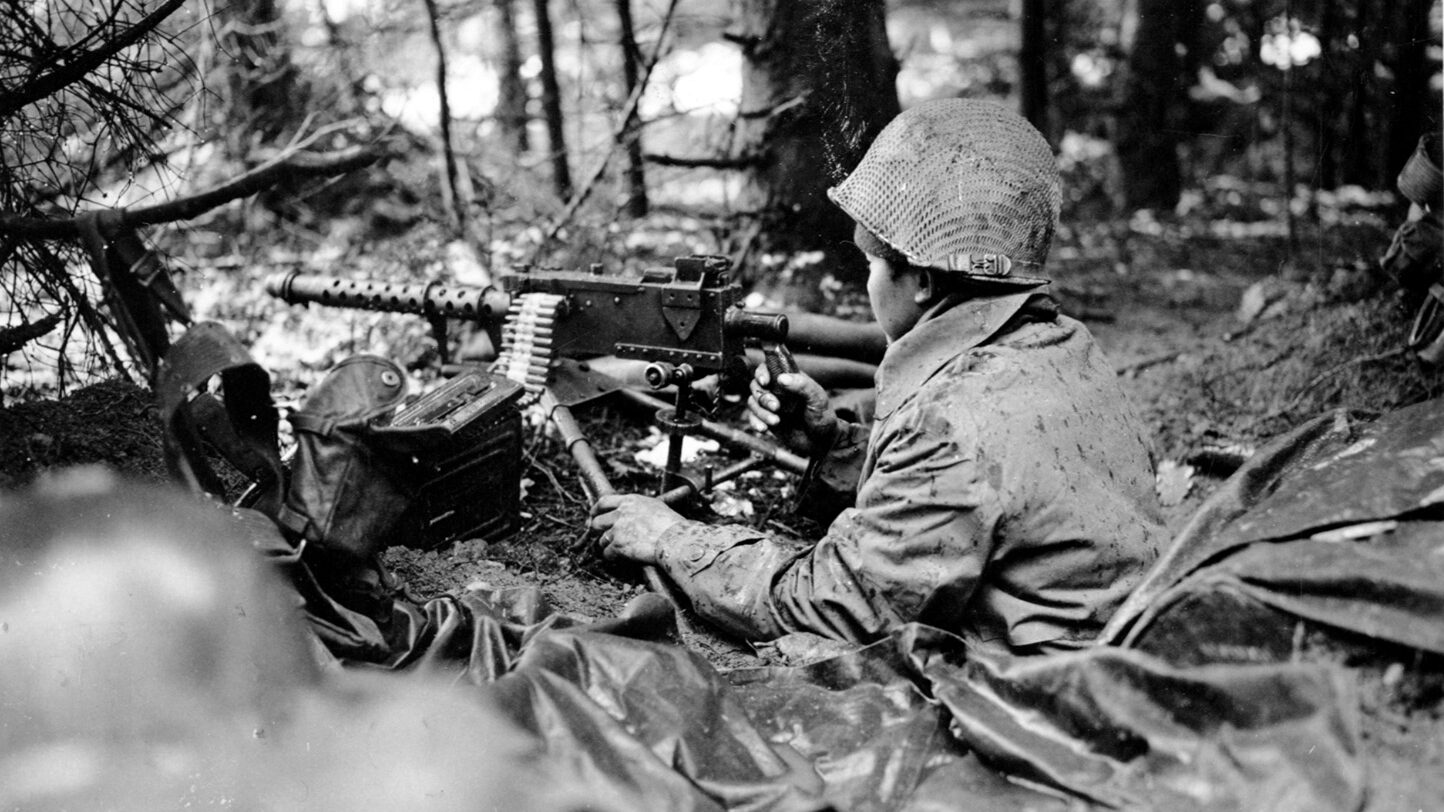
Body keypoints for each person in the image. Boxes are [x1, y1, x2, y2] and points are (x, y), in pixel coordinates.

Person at [591, 99, 1165, 655]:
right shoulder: (1063, 346)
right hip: (1115, 642)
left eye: (871, 264)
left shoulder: (950, 422)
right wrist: (835, 443)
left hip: (1045, 691)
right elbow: (983, 493)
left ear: (919, 281)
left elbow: (832, 604)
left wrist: (672, 539)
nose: (869, 284)